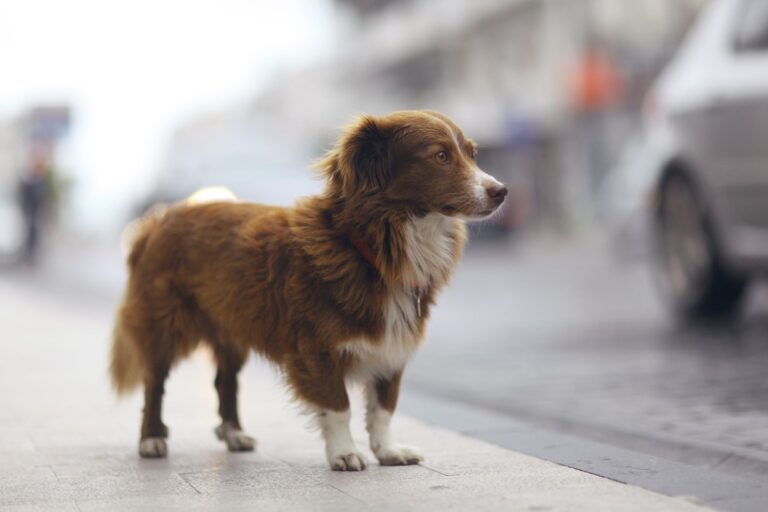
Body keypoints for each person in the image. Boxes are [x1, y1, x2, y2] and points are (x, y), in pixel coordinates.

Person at [17, 143, 52, 264]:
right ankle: (26, 257)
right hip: (27, 213)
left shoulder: (42, 180)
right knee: (27, 234)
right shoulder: (26, 178)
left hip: (36, 215)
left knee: (34, 236)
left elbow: (44, 198)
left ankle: (31, 258)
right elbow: (22, 196)